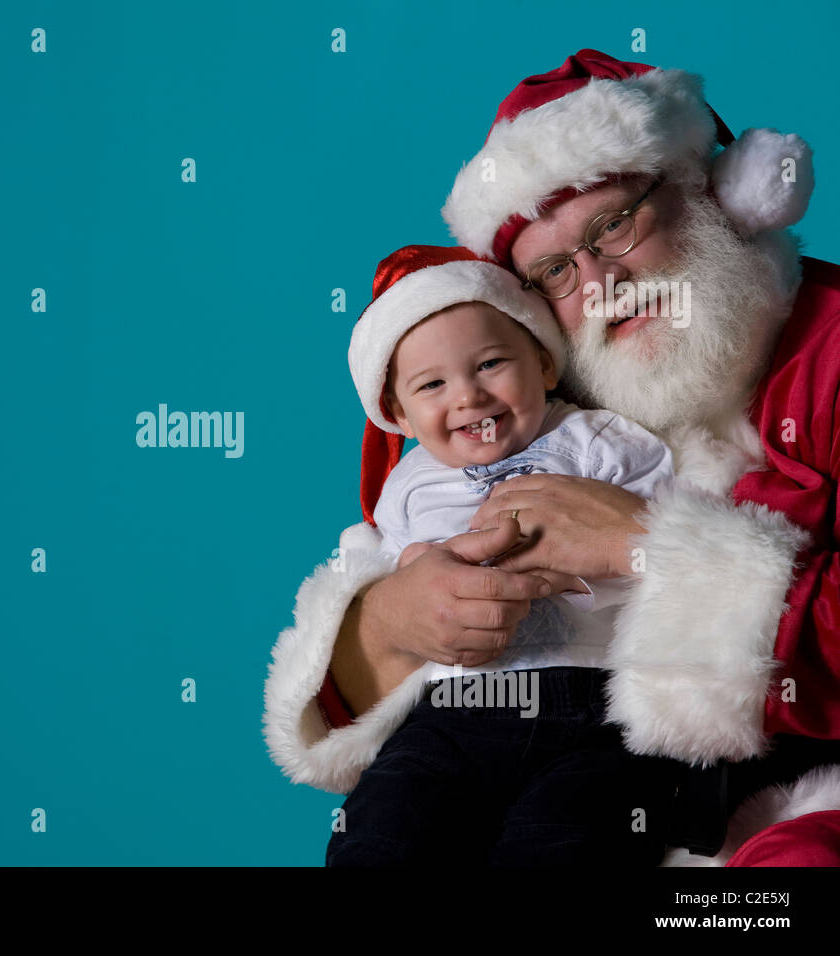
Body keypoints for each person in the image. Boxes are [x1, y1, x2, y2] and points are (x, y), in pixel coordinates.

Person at [263, 49, 840, 865]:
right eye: (555, 270)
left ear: (716, 193)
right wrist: (395, 621)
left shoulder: (831, 348)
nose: (602, 282)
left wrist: (642, 540)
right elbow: (358, 687)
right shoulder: (542, 401)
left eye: (614, 224)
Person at [327, 242, 680, 865]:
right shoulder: (408, 485)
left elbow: (671, 539)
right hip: (451, 712)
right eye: (432, 384)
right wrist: (412, 578)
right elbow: (374, 577)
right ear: (400, 415)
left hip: (590, 700)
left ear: (544, 364)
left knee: (563, 837)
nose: (467, 396)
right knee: (384, 827)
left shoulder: (595, 439)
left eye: (491, 364)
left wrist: (583, 561)